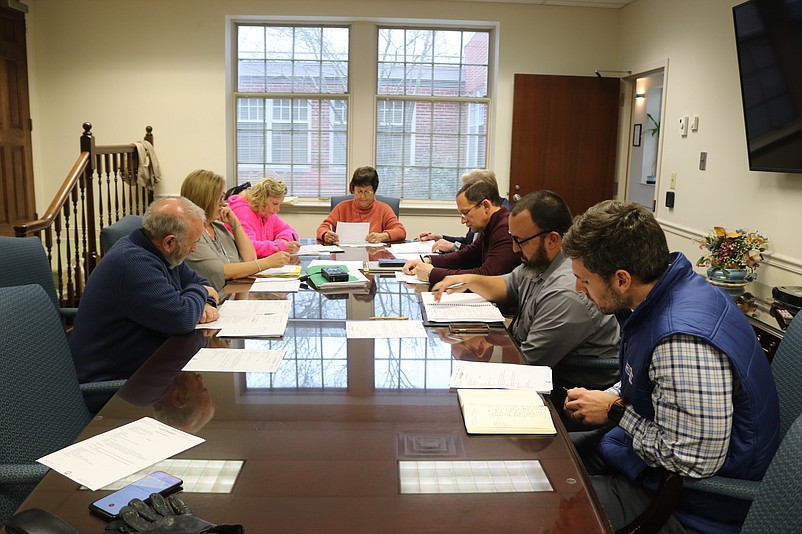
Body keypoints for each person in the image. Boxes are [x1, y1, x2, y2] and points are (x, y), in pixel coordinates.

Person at [561, 200, 779, 533]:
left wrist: (615, 411)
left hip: (690, 502)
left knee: (555, 509)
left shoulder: (681, 342)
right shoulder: (668, 292)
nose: (578, 289)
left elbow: (691, 460)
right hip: (651, 461)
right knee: (552, 462)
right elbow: (654, 379)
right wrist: (609, 397)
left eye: (585, 281)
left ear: (621, 279)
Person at [431, 190, 619, 418]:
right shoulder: (539, 264)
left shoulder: (567, 292)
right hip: (540, 371)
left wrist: (472, 348)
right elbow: (507, 285)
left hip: (569, 396)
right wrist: (468, 279)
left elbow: (525, 364)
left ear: (551, 239)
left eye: (519, 241)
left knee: (454, 407)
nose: (513, 249)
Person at [70, 196, 221, 382]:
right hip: (114, 385)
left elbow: (200, 282)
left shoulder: (163, 253)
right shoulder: (133, 263)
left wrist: (203, 298)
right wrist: (202, 294)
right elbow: (182, 317)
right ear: (169, 242)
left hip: (147, 369)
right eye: (193, 242)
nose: (194, 248)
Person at [180, 169, 290, 291]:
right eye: (219, 198)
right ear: (205, 200)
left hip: (233, 294)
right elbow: (222, 271)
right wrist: (268, 262)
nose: (223, 204)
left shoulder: (218, 227)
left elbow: (250, 258)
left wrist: (235, 224)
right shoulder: (191, 234)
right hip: (214, 301)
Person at [402, 177, 519, 285]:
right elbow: (466, 256)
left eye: (465, 213)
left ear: (486, 206)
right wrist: (427, 260)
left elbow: (488, 275)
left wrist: (432, 274)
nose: (463, 221)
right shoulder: (492, 224)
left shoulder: (505, 228)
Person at [417, 169, 513, 253]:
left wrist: (454, 247)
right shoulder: (479, 212)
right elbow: (469, 242)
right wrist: (439, 237)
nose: (464, 193)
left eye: (468, 188)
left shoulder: (505, 220)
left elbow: (480, 260)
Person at [317, 166, 406, 244]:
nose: (363, 196)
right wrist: (326, 234)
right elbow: (322, 228)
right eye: (359, 191)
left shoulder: (384, 209)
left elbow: (401, 231)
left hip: (374, 257)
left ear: (374, 191)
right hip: (345, 257)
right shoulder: (342, 208)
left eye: (367, 191)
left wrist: (383, 236)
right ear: (353, 190)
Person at [227, 175, 302, 257]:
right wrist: (280, 247)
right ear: (261, 200)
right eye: (275, 204)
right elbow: (249, 247)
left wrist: (284, 240)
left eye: (279, 204)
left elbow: (289, 230)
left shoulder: (265, 212)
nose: (277, 209)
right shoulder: (242, 212)